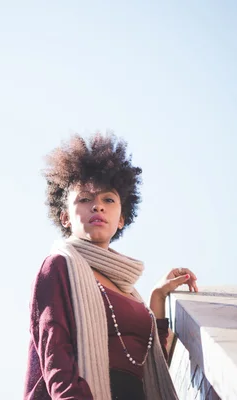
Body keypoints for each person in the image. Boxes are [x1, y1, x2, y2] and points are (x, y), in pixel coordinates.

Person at [24, 133, 199, 400]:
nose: (98, 206)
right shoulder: (59, 266)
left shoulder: (129, 290)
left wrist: (158, 298)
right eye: (84, 199)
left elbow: (151, 365)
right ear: (65, 217)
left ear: (121, 219)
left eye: (108, 200)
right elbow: (55, 354)